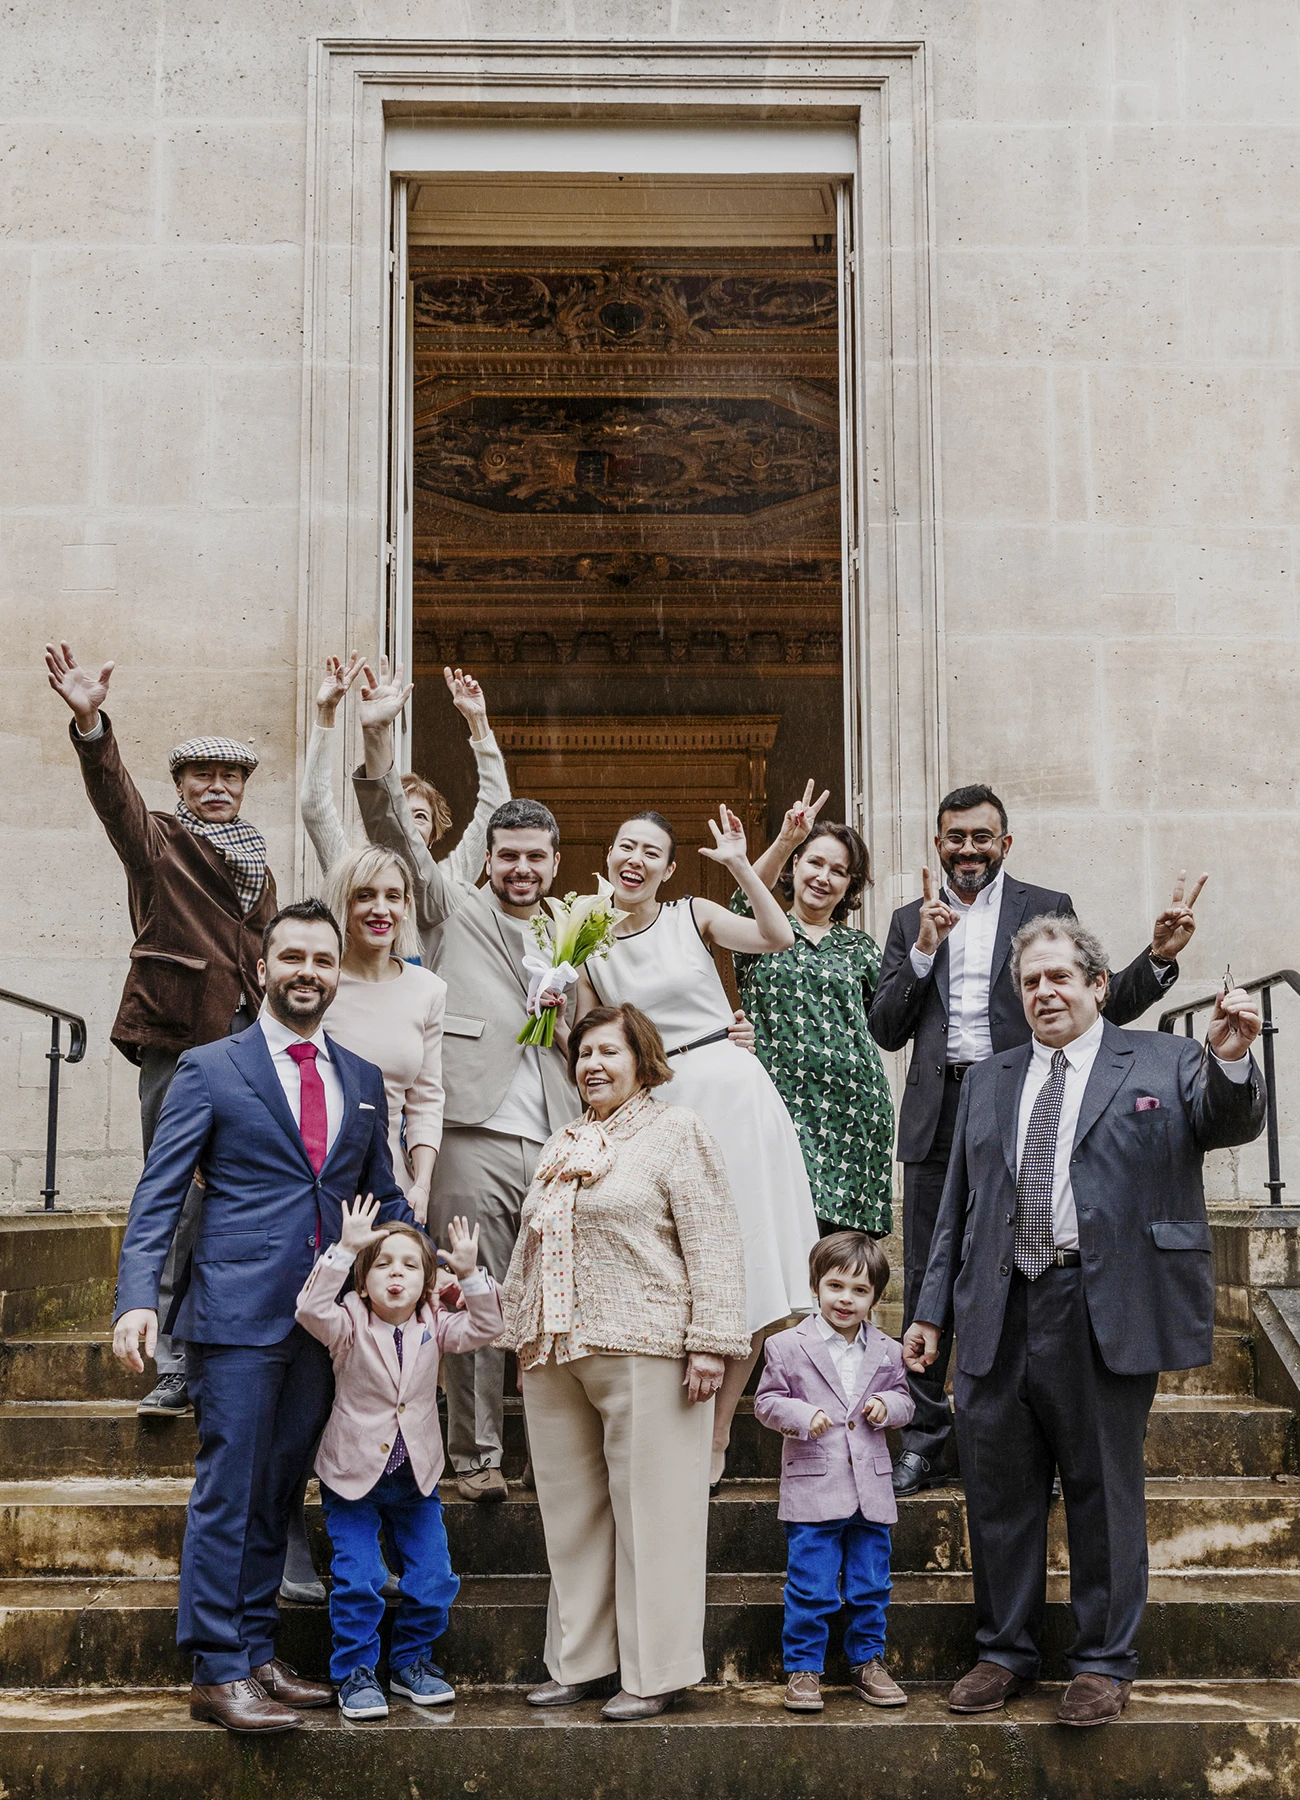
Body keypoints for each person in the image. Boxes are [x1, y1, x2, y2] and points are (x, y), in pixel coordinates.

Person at [904, 914, 1265, 1728]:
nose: (1044, 992)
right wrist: (930, 1312)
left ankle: (1102, 1661)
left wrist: (1232, 1058)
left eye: (1060, 977)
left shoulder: (1166, 1060)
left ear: (1099, 985)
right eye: (1030, 981)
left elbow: (1227, 1120)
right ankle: (1004, 1650)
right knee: (999, 1491)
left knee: (1104, 1489)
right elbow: (956, 1210)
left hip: (1101, 1304)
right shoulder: (989, 1080)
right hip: (997, 1304)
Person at [110, 898, 414, 1734]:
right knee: (231, 1491)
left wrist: (430, 1267)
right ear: (262, 969)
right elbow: (159, 1194)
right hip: (236, 1313)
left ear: (336, 974)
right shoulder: (210, 1068)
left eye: (322, 960)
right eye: (293, 958)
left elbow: (382, 1196)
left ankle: (254, 1651)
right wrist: (136, 1297)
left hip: (323, 1323)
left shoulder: (361, 1079)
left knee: (278, 1491)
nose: (308, 972)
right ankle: (216, 1670)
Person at [868, 782, 1201, 1497]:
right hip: (938, 1114)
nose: (968, 850)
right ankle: (926, 1438)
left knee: (1030, 1265)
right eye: (955, 837)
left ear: (1005, 844)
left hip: (1024, 1107)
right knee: (929, 1271)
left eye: (981, 837)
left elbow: (1096, 1002)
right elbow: (886, 1027)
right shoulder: (907, 921)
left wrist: (1157, 959)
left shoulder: (1045, 907)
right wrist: (924, 948)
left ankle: (1039, 1433)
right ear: (938, 844)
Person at [352, 668, 577, 1502]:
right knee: (471, 1287)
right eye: (507, 855)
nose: (521, 868)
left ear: (555, 863)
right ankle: (477, 1456)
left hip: (557, 1137)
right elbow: (394, 835)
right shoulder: (450, 908)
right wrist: (388, 737)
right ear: (488, 859)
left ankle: (555, 1454)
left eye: (535, 857)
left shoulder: (573, 927)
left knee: (555, 1301)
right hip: (473, 1131)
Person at [45, 639, 277, 1418]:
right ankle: (173, 1367)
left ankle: (225, 1351)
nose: (217, 787)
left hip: (248, 1049)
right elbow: (115, 800)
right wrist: (91, 727)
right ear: (180, 786)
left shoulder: (258, 863)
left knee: (237, 1201)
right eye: (202, 776)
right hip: (179, 1042)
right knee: (175, 1198)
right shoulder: (160, 843)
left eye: (230, 777)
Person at [499, 1003, 750, 1721]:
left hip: (648, 1347)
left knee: (656, 1518)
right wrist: (519, 1330)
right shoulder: (563, 1141)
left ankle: (655, 1673)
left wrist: (711, 1340)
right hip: (555, 1351)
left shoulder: (677, 1131)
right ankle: (580, 1663)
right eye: (583, 1054)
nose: (593, 1065)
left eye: (609, 1051)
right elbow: (530, 1246)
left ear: (643, 1060)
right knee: (571, 1518)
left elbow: (714, 1239)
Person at [577, 807, 820, 1487]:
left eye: (651, 851)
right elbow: (588, 1036)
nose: (636, 859)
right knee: (677, 1265)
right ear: (609, 854)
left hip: (730, 1088)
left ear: (668, 868)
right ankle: (670, 1420)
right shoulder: (588, 944)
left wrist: (741, 862)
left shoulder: (693, 914)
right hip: (659, 1103)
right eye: (626, 845)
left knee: (749, 1256)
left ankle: (717, 1432)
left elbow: (776, 936)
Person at [278, 843, 447, 1605]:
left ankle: (392, 1527)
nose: (380, 908)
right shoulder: (319, 981)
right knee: (313, 1367)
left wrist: (421, 1181)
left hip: (388, 1198)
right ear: (342, 902)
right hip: (316, 1195)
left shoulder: (427, 989)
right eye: (364, 894)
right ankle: (296, 1527)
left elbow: (428, 1095)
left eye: (394, 895)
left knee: (390, 1364)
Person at [295, 1200, 503, 1720]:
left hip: (416, 1480)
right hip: (353, 1481)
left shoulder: (436, 1322)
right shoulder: (348, 1323)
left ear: (426, 1283)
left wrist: (468, 1274)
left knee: (434, 1578)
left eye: (410, 1266)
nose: (396, 1274)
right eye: (384, 1264)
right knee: (360, 1578)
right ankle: (355, 1671)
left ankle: (411, 1662)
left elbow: (487, 1327)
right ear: (364, 1283)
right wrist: (345, 1249)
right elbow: (310, 1309)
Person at [755, 1231, 914, 1714]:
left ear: (875, 1298)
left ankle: (867, 1661)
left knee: (872, 1583)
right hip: (813, 1488)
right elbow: (766, 1402)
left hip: (871, 1491)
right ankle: (804, 1667)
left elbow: (906, 1400)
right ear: (816, 1286)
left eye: (860, 1290)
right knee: (811, 1584)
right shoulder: (785, 1346)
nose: (846, 1299)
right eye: (836, 1286)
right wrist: (803, 1416)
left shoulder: (887, 1350)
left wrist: (887, 1405)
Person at [733, 784, 894, 1237]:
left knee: (843, 1250)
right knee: (784, 1234)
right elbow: (744, 896)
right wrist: (787, 839)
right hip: (782, 1105)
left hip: (855, 1111)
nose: (824, 877)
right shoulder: (759, 932)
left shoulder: (861, 947)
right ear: (795, 866)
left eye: (838, 871)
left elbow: (887, 1021)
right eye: (815, 862)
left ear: (849, 886)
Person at [300, 653, 510, 890]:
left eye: (420, 816)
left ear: (432, 836)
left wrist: (478, 721)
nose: (406, 824)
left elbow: (495, 813)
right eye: (399, 812)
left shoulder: (448, 882)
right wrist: (326, 711)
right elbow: (315, 807)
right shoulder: (352, 876)